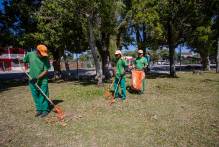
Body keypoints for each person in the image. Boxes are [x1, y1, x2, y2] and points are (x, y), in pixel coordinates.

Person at [23, 44, 51, 118]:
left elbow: (46, 70)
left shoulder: (45, 58)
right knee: (35, 95)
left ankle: (45, 110)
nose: (42, 56)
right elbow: (24, 60)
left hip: (43, 80)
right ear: (37, 51)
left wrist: (37, 78)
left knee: (43, 94)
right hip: (32, 79)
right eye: (41, 54)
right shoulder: (30, 54)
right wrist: (21, 63)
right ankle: (39, 110)